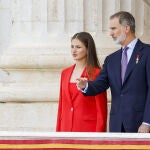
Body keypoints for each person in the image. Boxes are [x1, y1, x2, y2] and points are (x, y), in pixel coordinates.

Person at [76, 11, 150, 133]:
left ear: (126, 28)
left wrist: (147, 122)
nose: (110, 33)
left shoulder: (147, 53)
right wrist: (86, 86)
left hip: (141, 125)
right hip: (117, 125)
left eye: (113, 28)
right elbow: (100, 84)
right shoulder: (111, 59)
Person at [56, 32, 107, 132]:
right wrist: (58, 133)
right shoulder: (65, 73)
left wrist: (99, 137)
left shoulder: (96, 73)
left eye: (78, 47)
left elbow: (101, 110)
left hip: (87, 131)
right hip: (65, 129)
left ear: (88, 50)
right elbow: (61, 107)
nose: (74, 50)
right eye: (72, 46)